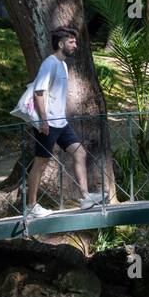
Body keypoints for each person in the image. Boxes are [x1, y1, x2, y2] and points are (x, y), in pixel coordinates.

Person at [24, 27, 105, 217]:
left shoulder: (63, 65)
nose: (75, 45)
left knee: (79, 153)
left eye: (75, 42)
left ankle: (85, 197)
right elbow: (39, 92)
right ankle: (31, 206)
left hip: (61, 123)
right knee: (40, 163)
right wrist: (44, 120)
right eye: (71, 42)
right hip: (48, 123)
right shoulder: (49, 64)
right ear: (60, 44)